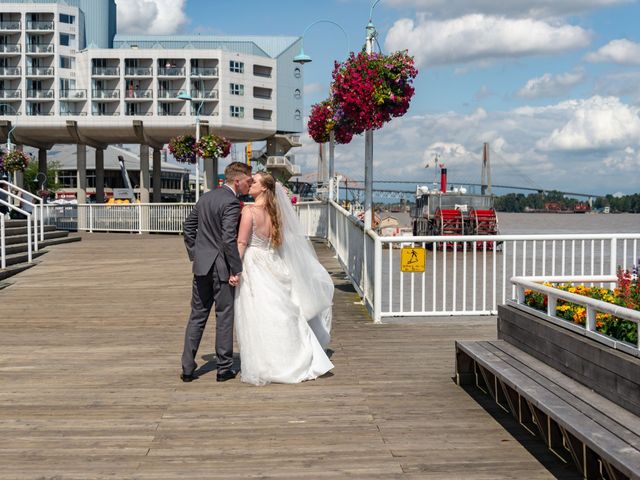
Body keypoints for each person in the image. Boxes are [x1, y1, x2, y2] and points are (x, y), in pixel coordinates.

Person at [234, 172, 334, 386]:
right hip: (273, 261)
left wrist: (234, 269)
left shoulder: (249, 211)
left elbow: (242, 243)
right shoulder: (276, 213)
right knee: (282, 312)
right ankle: (294, 357)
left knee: (258, 313)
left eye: (255, 182)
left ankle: (268, 363)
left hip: (254, 263)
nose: (250, 184)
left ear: (263, 188)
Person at [180, 161, 253, 383]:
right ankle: (223, 369)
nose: (249, 185)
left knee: (197, 316)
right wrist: (236, 268)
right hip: (221, 268)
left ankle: (187, 368)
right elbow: (228, 239)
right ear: (237, 181)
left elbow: (187, 227)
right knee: (224, 316)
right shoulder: (231, 202)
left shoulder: (206, 198)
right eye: (248, 181)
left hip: (202, 266)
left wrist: (196, 254)